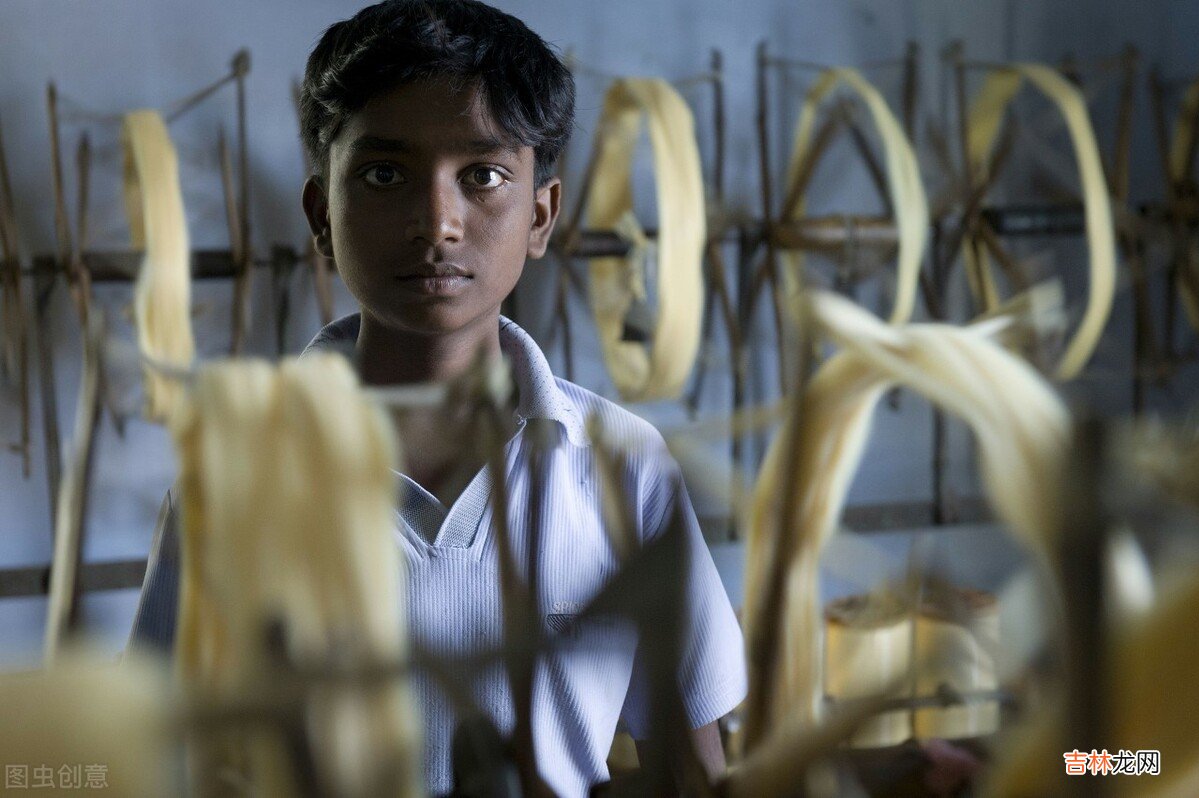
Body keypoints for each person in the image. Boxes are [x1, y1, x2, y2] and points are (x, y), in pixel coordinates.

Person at [127, 1, 746, 795]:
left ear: (540, 214)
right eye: (384, 174)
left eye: (483, 176)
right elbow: (158, 760)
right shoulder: (237, 484)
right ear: (324, 215)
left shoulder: (622, 469)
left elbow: (691, 770)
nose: (438, 221)